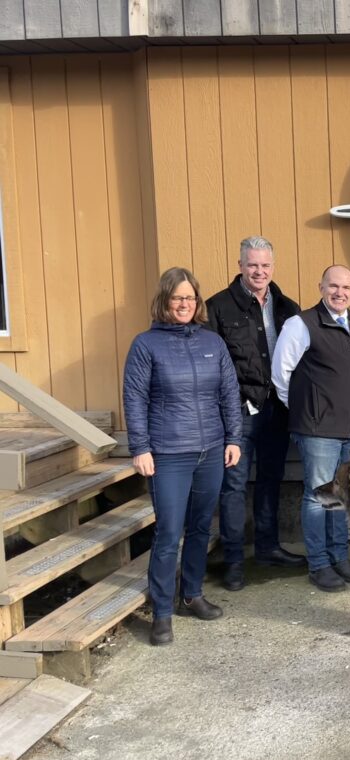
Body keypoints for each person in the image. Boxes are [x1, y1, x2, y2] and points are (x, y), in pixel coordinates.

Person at [123, 267, 242, 646]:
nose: (184, 304)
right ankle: (161, 612)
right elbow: (135, 398)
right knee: (169, 531)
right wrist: (140, 447)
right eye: (178, 298)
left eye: (190, 298)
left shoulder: (213, 343)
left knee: (201, 527)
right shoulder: (145, 345)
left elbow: (228, 393)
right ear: (164, 301)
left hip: (211, 449)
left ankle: (192, 594)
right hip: (169, 452)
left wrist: (233, 438)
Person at [206, 236, 304, 592]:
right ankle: (233, 560)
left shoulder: (288, 307)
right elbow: (212, 365)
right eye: (252, 265)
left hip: (278, 407)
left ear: (272, 267)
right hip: (238, 411)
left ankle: (268, 548)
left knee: (271, 479)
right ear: (240, 265)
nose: (259, 271)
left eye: (265, 265)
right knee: (233, 485)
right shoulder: (217, 307)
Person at [272, 265, 350, 593]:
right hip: (317, 431)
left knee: (342, 495)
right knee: (318, 497)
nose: (339, 292)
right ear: (321, 287)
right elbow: (281, 375)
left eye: (346, 287)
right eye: (333, 286)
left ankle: (340, 557)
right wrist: (307, 410)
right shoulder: (301, 324)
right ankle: (319, 564)